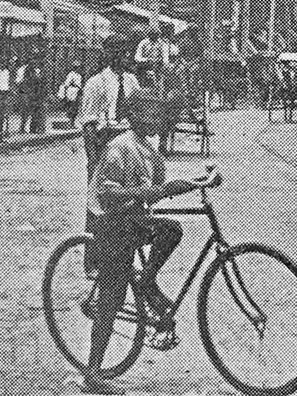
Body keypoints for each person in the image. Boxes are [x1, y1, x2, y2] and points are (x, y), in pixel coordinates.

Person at [80, 92, 218, 394]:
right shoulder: (120, 147)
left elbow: (157, 190)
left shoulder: (150, 151)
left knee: (171, 230)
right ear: (134, 117)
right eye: (149, 115)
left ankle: (145, 281)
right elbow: (106, 195)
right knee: (112, 297)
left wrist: (196, 182)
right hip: (112, 223)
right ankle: (92, 373)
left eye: (157, 114)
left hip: (133, 220)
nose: (156, 121)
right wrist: (140, 194)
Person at [81, 33, 142, 178]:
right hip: (106, 140)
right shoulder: (96, 83)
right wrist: (93, 159)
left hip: (129, 141)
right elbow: (89, 124)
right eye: (125, 53)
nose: (130, 58)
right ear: (115, 55)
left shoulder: (132, 81)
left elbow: (138, 112)